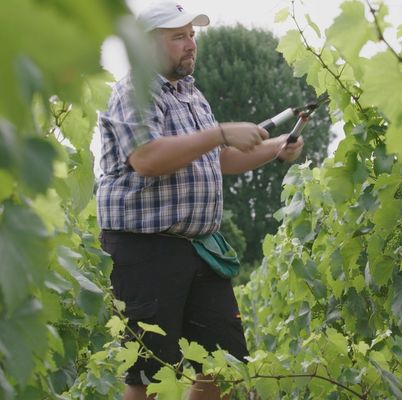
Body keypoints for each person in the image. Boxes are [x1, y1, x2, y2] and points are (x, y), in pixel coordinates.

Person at [96, 2, 304, 399]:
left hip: (199, 249)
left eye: (192, 34)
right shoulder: (133, 92)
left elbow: (218, 158)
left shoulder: (191, 95)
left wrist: (276, 148)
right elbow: (147, 158)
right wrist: (221, 132)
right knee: (150, 376)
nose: (191, 44)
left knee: (222, 366)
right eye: (178, 37)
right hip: (144, 250)